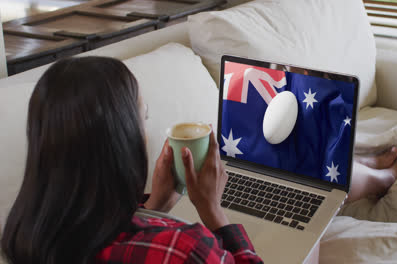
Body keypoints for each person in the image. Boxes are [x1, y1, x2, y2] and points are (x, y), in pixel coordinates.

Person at [0, 57, 263, 264]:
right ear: (122, 140)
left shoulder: (24, 236)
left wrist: (153, 207)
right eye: (143, 119)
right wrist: (213, 211)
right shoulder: (184, 249)